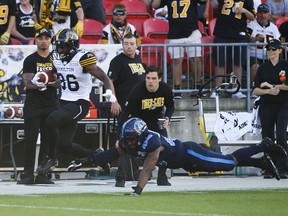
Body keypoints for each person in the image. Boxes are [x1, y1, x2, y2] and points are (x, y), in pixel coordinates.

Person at [68, 117, 287, 195]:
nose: (129, 142)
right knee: (228, 163)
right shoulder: (131, 141)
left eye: (132, 138)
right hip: (186, 162)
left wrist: (138, 190)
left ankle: (262, 145)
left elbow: (147, 168)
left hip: (191, 153)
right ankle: (262, 163)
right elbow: (110, 153)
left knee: (230, 163)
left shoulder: (152, 142)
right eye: (128, 138)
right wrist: (87, 160)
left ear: (140, 135)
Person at [35, 28, 116, 173]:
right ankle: (98, 157)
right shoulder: (56, 57)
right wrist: (43, 77)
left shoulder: (82, 58)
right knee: (64, 145)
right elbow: (55, 74)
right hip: (64, 102)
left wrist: (110, 93)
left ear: (72, 46)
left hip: (79, 103)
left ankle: (51, 158)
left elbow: (104, 77)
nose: (60, 49)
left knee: (51, 120)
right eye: (58, 46)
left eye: (63, 46)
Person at [117, 65, 175, 186]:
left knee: (165, 145)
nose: (150, 81)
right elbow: (126, 111)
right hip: (138, 123)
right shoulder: (137, 90)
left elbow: (170, 106)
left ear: (159, 79)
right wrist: (120, 132)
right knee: (125, 147)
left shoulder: (165, 89)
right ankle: (120, 177)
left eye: (153, 78)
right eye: (148, 78)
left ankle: (162, 177)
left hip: (156, 121)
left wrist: (167, 118)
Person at [17, 27, 61, 184]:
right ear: (35, 40)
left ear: (50, 40)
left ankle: (43, 174)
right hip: (33, 105)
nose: (44, 41)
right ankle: (27, 174)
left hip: (51, 104)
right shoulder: (30, 59)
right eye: (40, 38)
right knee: (30, 139)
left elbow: (59, 82)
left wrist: (46, 82)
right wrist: (39, 83)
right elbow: (28, 84)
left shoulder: (56, 59)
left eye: (46, 38)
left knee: (47, 141)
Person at [106, 33, 146, 187]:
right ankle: (120, 176)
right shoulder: (117, 61)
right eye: (126, 43)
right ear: (122, 45)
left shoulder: (138, 60)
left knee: (139, 140)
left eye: (131, 43)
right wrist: (114, 101)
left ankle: (135, 174)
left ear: (137, 45)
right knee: (124, 141)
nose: (129, 46)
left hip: (140, 107)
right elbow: (110, 82)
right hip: (124, 107)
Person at [152, 0, 205, 99]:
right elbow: (154, 5)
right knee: (176, 61)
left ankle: (197, 86)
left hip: (192, 32)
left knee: (196, 60)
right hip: (175, 34)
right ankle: (177, 89)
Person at [252, 39, 288, 179]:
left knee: (281, 135)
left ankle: (283, 167)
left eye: (274, 49)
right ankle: (269, 167)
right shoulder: (262, 68)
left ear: (280, 50)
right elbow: (255, 89)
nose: (271, 52)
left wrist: (274, 86)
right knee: (267, 137)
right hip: (267, 105)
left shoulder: (286, 65)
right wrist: (267, 91)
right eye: (269, 49)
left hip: (283, 104)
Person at [211, 0, 255, 99]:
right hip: (222, 33)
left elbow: (252, 17)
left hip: (239, 34)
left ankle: (236, 89)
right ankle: (217, 89)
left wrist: (244, 10)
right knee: (220, 63)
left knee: (237, 63)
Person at [247, 4, 281, 97]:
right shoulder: (251, 24)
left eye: (265, 13)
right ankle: (254, 90)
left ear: (269, 14)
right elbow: (246, 38)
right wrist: (255, 39)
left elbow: (279, 42)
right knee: (255, 66)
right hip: (253, 53)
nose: (263, 15)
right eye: (261, 13)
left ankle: (274, 90)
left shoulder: (274, 28)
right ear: (257, 14)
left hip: (269, 55)